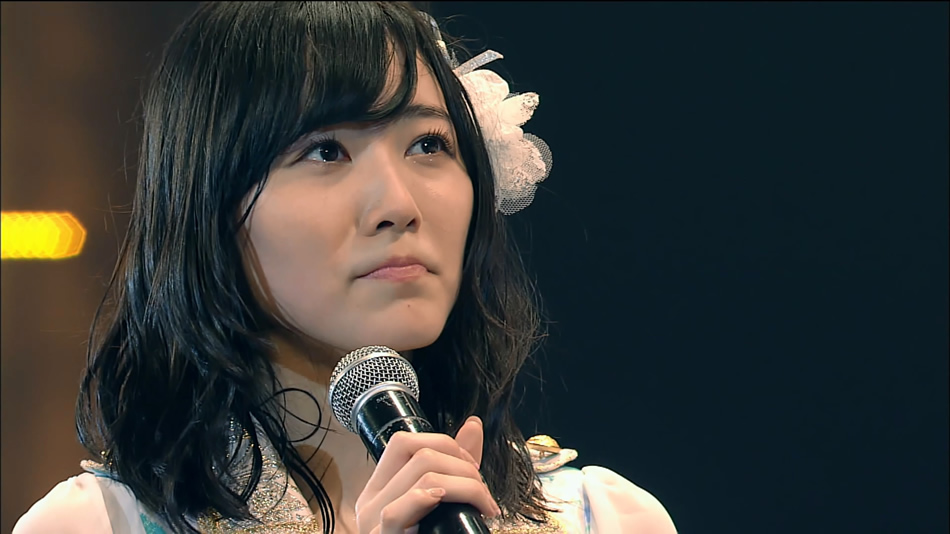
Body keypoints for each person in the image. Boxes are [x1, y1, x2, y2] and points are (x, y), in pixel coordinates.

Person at [14, 2, 677, 532]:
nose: (399, 205)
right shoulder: (94, 524)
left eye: (428, 144)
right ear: (207, 205)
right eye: (326, 151)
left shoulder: (606, 519)